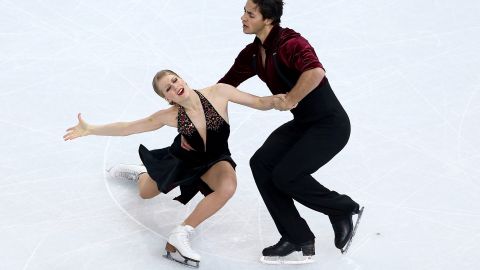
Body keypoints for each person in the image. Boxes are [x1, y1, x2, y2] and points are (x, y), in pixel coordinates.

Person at [194, 0, 364, 264]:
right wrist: (190, 102)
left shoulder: (291, 44)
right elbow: (224, 86)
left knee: (286, 175)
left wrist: (291, 98)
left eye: (250, 14)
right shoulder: (253, 53)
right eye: (244, 12)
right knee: (261, 164)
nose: (243, 18)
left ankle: (342, 208)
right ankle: (297, 236)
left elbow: (315, 72)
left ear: (268, 19)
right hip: (303, 124)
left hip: (330, 126)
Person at [63, 69, 285, 268]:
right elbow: (128, 128)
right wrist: (91, 129)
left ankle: (181, 233)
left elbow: (259, 102)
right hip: (183, 161)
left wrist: (282, 100)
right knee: (145, 193)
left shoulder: (219, 93)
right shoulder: (169, 116)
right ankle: (141, 172)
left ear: (183, 79)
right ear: (167, 98)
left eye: (174, 80)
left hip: (215, 161)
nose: (174, 87)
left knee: (228, 186)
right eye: (167, 88)